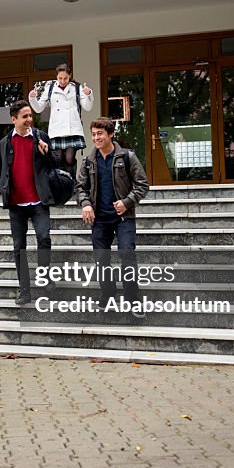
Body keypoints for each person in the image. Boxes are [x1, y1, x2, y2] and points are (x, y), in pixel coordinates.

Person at [75, 117, 150, 318]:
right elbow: (80, 187)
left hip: (124, 217)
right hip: (99, 220)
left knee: (127, 256)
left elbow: (142, 185)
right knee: (102, 261)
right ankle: (107, 294)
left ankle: (132, 300)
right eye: (93, 134)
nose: (96, 138)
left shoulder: (127, 157)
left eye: (100, 134)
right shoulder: (89, 161)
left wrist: (127, 202)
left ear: (111, 134)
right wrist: (86, 204)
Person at [0, 99, 59, 305]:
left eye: (31, 116)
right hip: (16, 204)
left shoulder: (40, 137)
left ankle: (45, 276)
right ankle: (24, 290)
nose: (29, 119)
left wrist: (46, 153)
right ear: (14, 119)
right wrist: (1, 188)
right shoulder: (4, 144)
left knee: (44, 237)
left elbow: (54, 165)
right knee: (18, 246)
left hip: (39, 201)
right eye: (25, 117)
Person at [29, 63, 94, 179]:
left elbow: (88, 107)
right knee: (58, 158)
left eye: (65, 78)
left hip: (72, 129)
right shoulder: (50, 88)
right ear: (56, 76)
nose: (63, 81)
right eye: (60, 78)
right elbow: (38, 108)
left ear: (70, 76)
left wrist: (89, 94)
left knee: (69, 159)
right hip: (56, 129)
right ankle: (60, 184)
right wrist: (33, 98)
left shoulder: (77, 88)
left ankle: (72, 183)